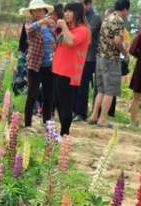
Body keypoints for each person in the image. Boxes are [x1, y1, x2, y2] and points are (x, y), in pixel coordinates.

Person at [88, 0, 129, 128]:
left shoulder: (107, 18)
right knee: (110, 91)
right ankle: (103, 119)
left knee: (101, 90)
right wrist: (124, 52)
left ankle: (94, 116)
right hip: (111, 59)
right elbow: (117, 41)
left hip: (100, 57)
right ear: (125, 10)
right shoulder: (119, 21)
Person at [51, 2, 90, 136]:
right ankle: (62, 132)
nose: (66, 14)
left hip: (69, 73)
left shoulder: (83, 30)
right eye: (65, 11)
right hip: (57, 69)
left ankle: (64, 134)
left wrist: (63, 28)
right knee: (58, 103)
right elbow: (60, 45)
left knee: (66, 105)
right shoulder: (67, 28)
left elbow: (72, 42)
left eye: (70, 11)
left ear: (77, 13)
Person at [20, 0, 56, 130]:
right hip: (35, 64)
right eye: (34, 11)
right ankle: (28, 123)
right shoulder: (30, 24)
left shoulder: (51, 24)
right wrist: (40, 23)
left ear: (45, 11)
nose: (37, 13)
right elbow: (29, 30)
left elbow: (55, 38)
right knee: (32, 94)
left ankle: (47, 122)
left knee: (48, 95)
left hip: (50, 64)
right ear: (31, 13)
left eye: (40, 10)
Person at [72, 0, 101, 122]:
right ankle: (76, 110)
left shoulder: (95, 17)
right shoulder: (82, 15)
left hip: (90, 57)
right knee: (77, 84)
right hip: (79, 56)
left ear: (88, 4)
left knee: (84, 85)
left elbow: (88, 33)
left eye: (81, 4)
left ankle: (82, 113)